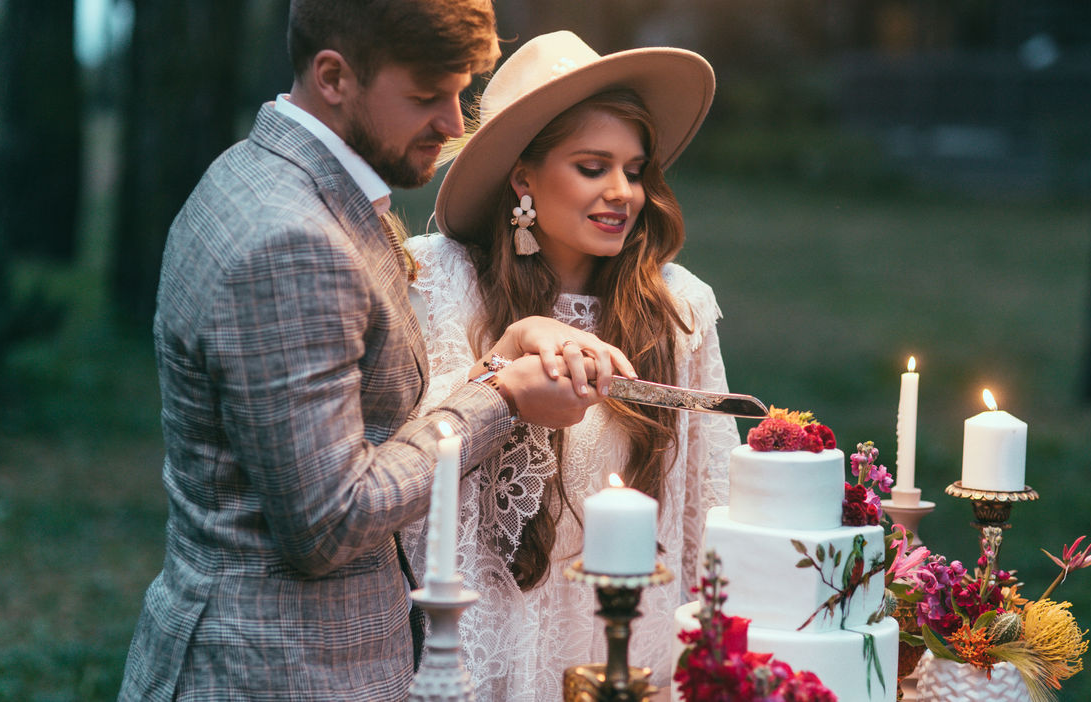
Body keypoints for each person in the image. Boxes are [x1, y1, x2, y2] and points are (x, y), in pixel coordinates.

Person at [117, 5, 636, 700]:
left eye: (459, 92)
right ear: (334, 76)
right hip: (274, 670)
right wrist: (504, 398)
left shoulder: (264, 172)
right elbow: (328, 524)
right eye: (426, 95)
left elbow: (362, 427)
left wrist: (499, 358)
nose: (454, 124)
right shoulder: (291, 239)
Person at [404, 30, 741, 700]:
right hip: (478, 637)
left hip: (625, 641)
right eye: (593, 167)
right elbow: (406, 458)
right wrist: (501, 363)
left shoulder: (677, 306)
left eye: (636, 170)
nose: (623, 192)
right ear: (523, 178)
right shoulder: (438, 284)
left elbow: (710, 503)